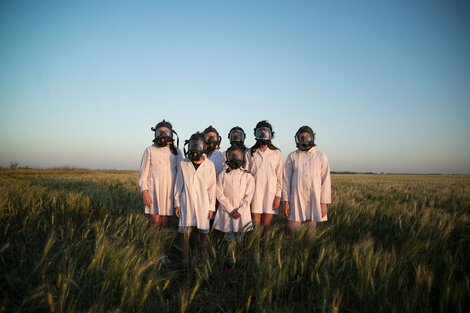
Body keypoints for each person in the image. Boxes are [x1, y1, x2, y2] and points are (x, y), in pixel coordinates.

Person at [174, 132, 217, 264]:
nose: (195, 148)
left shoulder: (209, 165)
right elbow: (178, 184)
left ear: (204, 146)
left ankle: (202, 261)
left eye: (198, 144)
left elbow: (212, 188)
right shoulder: (183, 164)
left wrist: (211, 207)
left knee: (203, 234)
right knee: (186, 234)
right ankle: (185, 261)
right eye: (193, 144)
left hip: (203, 204)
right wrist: (177, 204)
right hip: (186, 203)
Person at [282, 126, 331, 236]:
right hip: (295, 198)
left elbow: (325, 181)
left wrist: (323, 203)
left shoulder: (321, 156)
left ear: (312, 137)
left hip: (313, 198)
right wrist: (286, 202)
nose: (304, 139)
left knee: (310, 232)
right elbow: (286, 179)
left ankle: (308, 252)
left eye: (307, 136)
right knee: (292, 230)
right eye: (301, 137)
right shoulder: (292, 156)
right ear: (297, 139)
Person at [139, 119, 182, 229]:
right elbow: (143, 174)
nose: (162, 134)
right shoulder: (150, 150)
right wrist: (145, 192)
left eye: (165, 132)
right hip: (154, 192)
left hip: (170, 192)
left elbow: (181, 174)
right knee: (155, 224)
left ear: (171, 134)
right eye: (159, 132)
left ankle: (164, 246)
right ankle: (154, 246)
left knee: (165, 224)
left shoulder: (176, 151)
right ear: (155, 133)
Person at [245, 120, 283, 230]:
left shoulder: (276, 153)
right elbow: (246, 175)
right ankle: (256, 247)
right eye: (259, 132)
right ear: (255, 134)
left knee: (267, 226)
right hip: (254, 192)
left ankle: (265, 247)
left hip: (270, 193)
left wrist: (278, 196)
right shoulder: (250, 152)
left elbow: (279, 176)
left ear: (271, 135)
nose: (262, 134)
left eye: (265, 132)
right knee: (256, 226)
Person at [213, 145, 255, 234]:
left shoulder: (247, 176)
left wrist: (240, 211)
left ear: (242, 157)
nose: (235, 158)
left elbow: (249, 196)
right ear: (228, 157)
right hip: (226, 210)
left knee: (241, 235)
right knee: (225, 234)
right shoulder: (222, 175)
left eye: (237, 155)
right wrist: (231, 210)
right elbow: (219, 194)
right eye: (232, 155)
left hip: (242, 211)